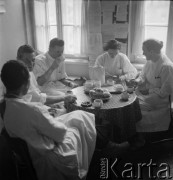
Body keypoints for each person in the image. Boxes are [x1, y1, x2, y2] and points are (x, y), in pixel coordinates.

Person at [0, 60, 129, 180]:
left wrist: (48, 115)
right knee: (79, 124)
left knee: (80, 114)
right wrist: (50, 117)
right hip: (50, 154)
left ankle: (104, 145)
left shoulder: (6, 106)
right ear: (26, 84)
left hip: (37, 140)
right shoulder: (32, 110)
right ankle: (105, 148)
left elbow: (31, 121)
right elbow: (59, 133)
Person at [134, 39, 173, 133]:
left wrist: (149, 91)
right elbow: (142, 75)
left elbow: (166, 92)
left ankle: (139, 135)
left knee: (134, 108)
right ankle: (132, 133)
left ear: (151, 52)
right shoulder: (150, 61)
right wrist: (138, 81)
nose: (143, 53)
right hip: (148, 94)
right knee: (130, 101)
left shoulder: (166, 66)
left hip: (161, 100)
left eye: (144, 51)